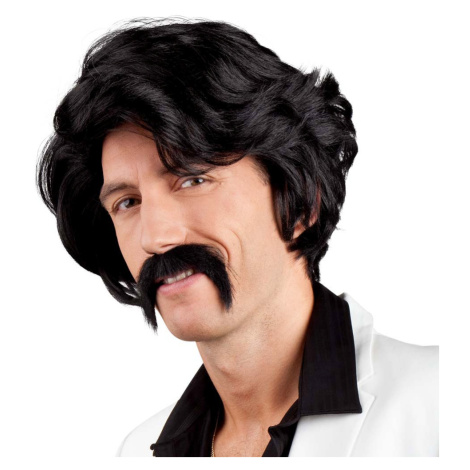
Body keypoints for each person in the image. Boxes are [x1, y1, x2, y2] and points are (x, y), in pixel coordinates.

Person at [36, 19, 438, 457]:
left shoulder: (442, 405)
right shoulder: (137, 452)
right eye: (127, 202)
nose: (154, 237)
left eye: (192, 180)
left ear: (300, 200)